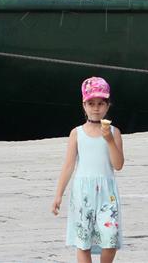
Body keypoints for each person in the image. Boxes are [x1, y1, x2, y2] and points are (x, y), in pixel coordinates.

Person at [52, 77, 124, 263]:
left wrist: (108, 140)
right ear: (84, 105)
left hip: (107, 193)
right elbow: (68, 165)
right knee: (83, 241)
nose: (96, 108)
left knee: (110, 238)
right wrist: (59, 194)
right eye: (91, 103)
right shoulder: (77, 133)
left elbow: (118, 165)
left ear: (108, 105)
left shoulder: (114, 132)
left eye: (101, 103)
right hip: (83, 192)